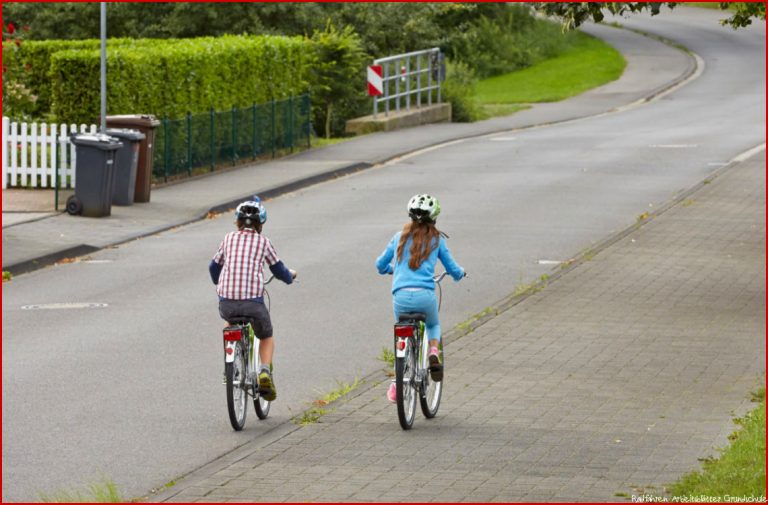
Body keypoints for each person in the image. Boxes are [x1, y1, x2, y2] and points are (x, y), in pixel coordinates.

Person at [376, 194, 466, 403]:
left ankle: (397, 383)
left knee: (402, 337)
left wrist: (392, 270)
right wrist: (460, 273)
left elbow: (379, 265)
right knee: (433, 324)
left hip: (400, 297)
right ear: (434, 218)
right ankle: (433, 351)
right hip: (425, 296)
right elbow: (453, 269)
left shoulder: (399, 237)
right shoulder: (437, 240)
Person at [209, 197, 296, 401]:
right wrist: (290, 277)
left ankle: (230, 367)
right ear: (261, 224)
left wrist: (217, 282)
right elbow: (279, 269)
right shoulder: (263, 242)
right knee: (266, 335)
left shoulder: (228, 238)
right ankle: (265, 371)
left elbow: (213, 267)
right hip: (253, 303)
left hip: (227, 302)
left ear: (237, 222)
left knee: (229, 322)